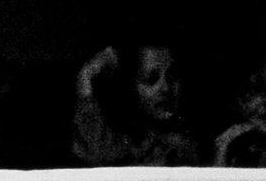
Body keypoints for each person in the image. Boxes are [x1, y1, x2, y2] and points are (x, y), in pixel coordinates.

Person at [71, 39, 201, 166]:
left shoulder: (193, 143)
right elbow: (97, 152)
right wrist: (86, 77)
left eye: (173, 76)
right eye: (151, 80)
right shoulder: (122, 146)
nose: (166, 88)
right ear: (132, 88)